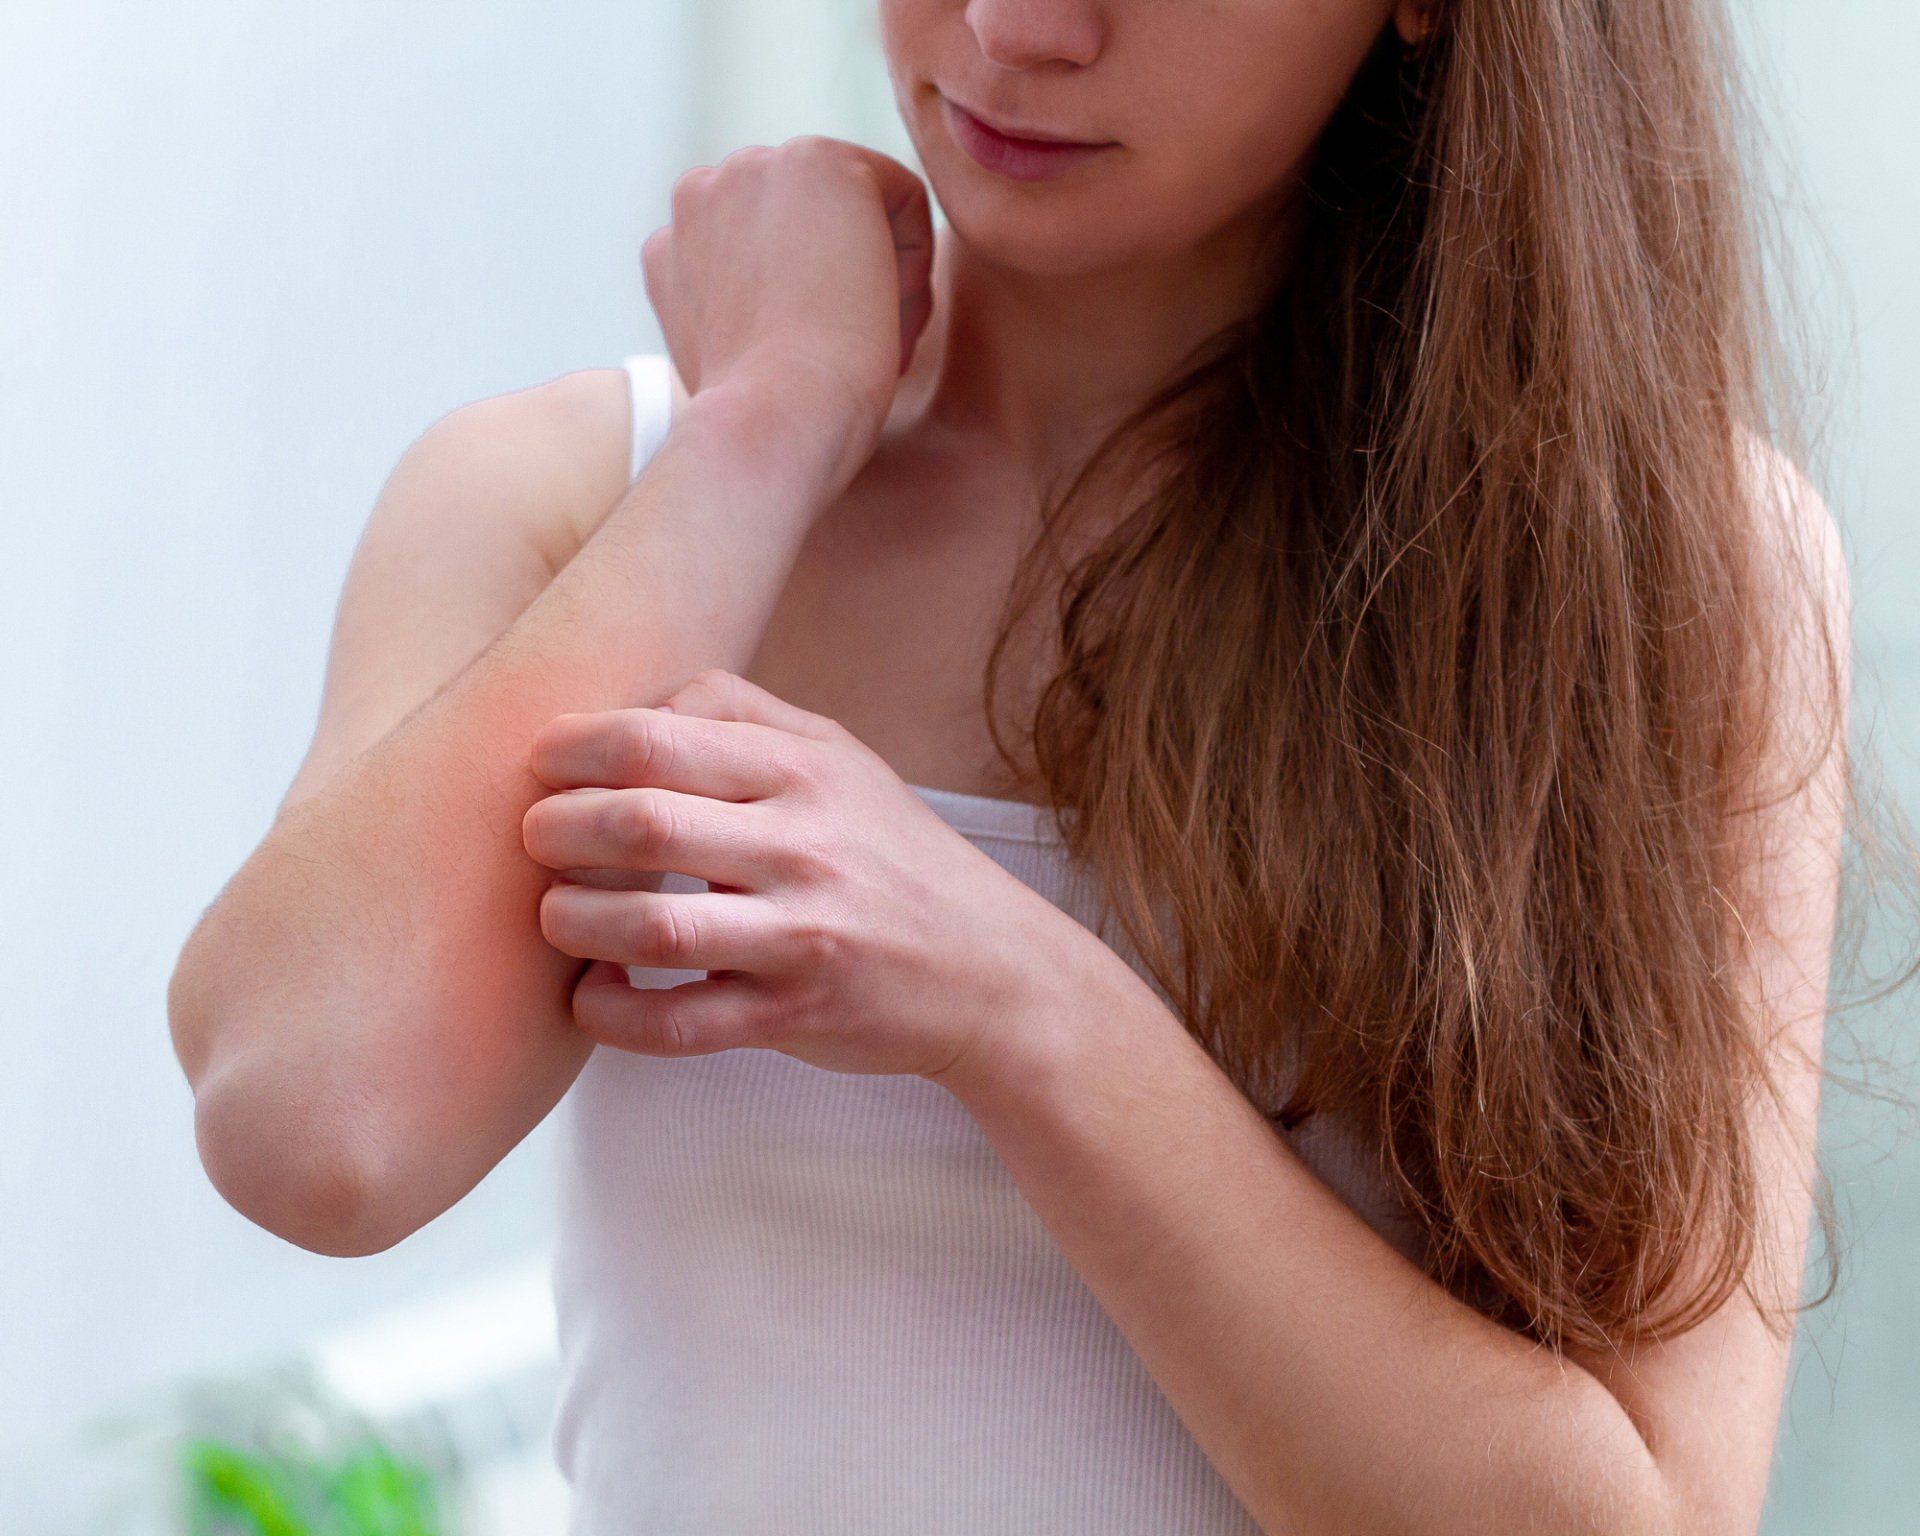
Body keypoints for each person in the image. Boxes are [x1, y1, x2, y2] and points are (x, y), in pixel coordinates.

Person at [168, 0, 1865, 1531]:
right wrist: (772, 426)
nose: (1014, 28)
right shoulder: (568, 492)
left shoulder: (1652, 571)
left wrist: (1011, 1003)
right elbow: (320, 1130)